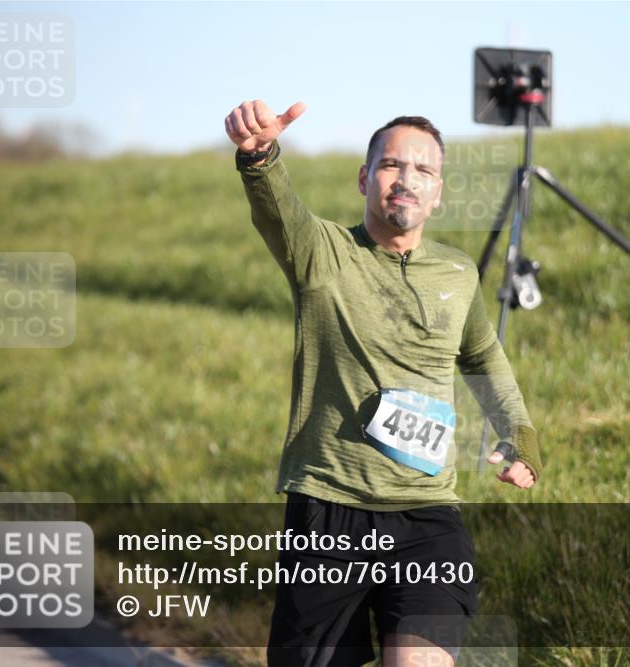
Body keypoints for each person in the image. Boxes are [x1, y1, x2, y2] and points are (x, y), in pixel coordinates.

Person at [224, 98, 543, 667]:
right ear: (365, 177)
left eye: (424, 170)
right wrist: (261, 157)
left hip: (427, 515)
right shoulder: (323, 254)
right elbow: (278, 213)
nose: (407, 180)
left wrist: (519, 433)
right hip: (329, 507)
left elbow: (483, 355)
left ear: (438, 191)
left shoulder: (457, 272)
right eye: (393, 165)